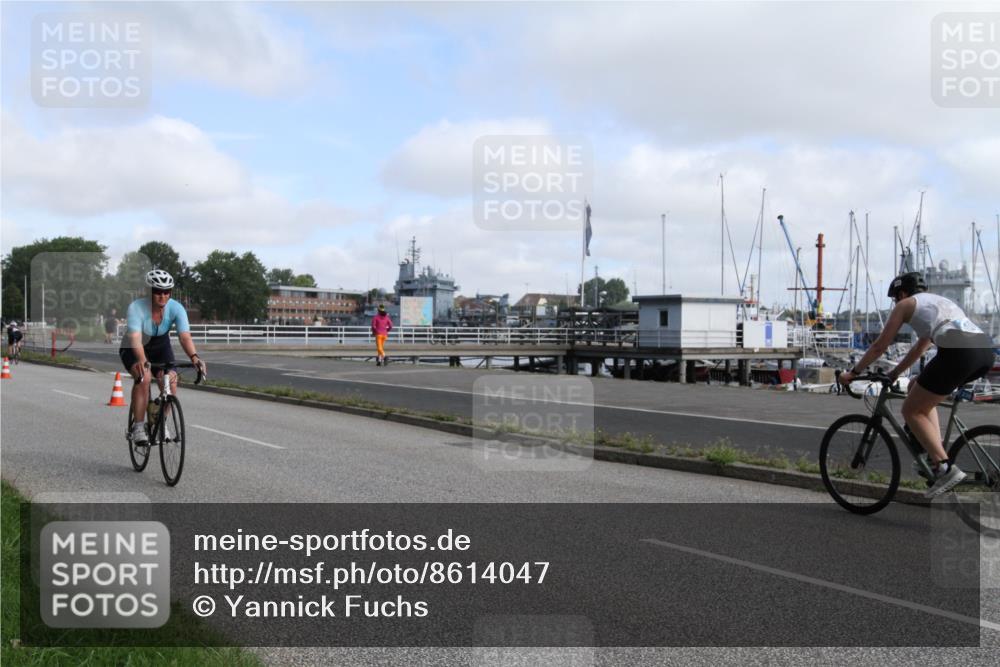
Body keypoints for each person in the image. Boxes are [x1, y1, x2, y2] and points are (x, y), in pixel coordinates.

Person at [839, 272, 994, 498]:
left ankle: (944, 468)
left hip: (958, 352)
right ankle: (934, 456)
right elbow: (920, 348)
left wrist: (853, 373)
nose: (895, 303)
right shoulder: (938, 303)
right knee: (915, 387)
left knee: (910, 410)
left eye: (895, 298)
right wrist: (895, 373)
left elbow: (880, 346)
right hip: (983, 353)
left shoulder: (905, 305)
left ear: (902, 293)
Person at [121, 270, 207, 445]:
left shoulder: (176, 308)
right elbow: (136, 339)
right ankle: (138, 428)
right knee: (144, 379)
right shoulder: (136, 308)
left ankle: (161, 423)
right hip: (134, 346)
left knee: (171, 382)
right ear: (149, 291)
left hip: (160, 345)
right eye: (158, 291)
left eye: (167, 292)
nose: (163, 296)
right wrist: (143, 362)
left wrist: (194, 357)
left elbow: (185, 337)